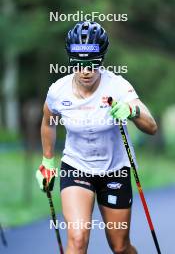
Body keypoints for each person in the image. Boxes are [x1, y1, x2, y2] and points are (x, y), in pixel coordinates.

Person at [36, 21, 157, 254]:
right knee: (78, 239)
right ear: (70, 60)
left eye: (93, 62)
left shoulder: (118, 86)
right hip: (76, 166)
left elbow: (151, 126)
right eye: (79, 63)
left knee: (120, 247)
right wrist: (48, 161)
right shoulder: (58, 91)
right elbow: (48, 122)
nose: (86, 70)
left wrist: (132, 111)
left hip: (115, 169)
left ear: (102, 59)